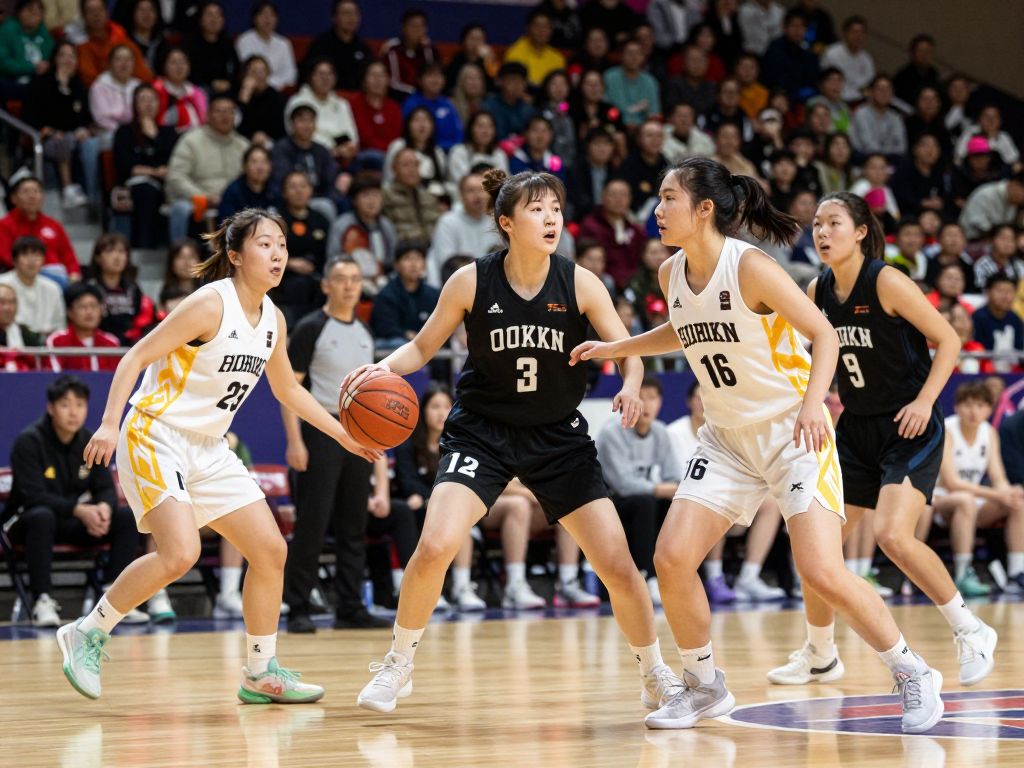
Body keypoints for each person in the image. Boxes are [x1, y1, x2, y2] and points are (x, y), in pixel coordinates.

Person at [571, 157, 944, 733]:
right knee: (671, 560)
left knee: (820, 571)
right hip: (725, 438)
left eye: (669, 199)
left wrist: (815, 404)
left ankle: (911, 669)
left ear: (703, 209)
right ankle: (704, 686)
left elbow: (823, 332)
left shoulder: (750, 267)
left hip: (792, 430)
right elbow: (683, 327)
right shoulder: (671, 273)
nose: (657, 210)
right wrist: (616, 349)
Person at [351, 168, 674, 716]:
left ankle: (654, 672)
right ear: (506, 222)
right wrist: (375, 370)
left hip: (556, 436)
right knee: (433, 546)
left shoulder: (579, 282)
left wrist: (633, 385)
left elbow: (630, 349)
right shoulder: (472, 281)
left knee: (618, 565)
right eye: (538, 209)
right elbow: (422, 348)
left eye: (556, 208)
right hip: (483, 431)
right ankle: (399, 663)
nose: (552, 218)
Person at [57, 208, 378, 703]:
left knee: (271, 551)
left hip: (208, 446)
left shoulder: (273, 319)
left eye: (282, 246)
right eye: (265, 244)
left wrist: (342, 435)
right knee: (179, 553)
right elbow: (135, 355)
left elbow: (288, 389)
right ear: (234, 255)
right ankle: (88, 631)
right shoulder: (210, 304)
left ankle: (259, 671)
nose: (277, 254)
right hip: (155, 432)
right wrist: (106, 422)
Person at [767, 190, 996, 692]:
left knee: (894, 536)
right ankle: (820, 654)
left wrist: (924, 401)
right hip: (854, 428)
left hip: (909, 425)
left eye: (833, 223)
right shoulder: (817, 289)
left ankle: (970, 628)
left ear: (861, 231)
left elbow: (950, 340)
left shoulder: (887, 280)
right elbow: (813, 353)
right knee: (815, 548)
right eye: (818, 225)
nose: (822, 232)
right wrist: (815, 397)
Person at [282, 255, 387, 633]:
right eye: (340, 278)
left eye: (355, 279)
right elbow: (289, 389)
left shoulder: (364, 331)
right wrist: (295, 441)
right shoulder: (311, 328)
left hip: (356, 432)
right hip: (320, 430)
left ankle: (350, 606)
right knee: (312, 523)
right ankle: (297, 607)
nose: (348, 285)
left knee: (353, 524)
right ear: (325, 285)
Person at [4, 376, 142, 628]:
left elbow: (105, 489)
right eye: (66, 404)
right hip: (28, 525)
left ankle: (114, 599)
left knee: (124, 517)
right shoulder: (29, 441)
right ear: (51, 408)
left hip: (72, 522)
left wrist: (103, 509)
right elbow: (32, 496)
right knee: (41, 515)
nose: (73, 412)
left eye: (80, 405)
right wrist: (79, 510)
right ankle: (42, 601)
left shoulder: (91, 441)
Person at [666, 380, 788, 603]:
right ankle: (714, 577)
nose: (703, 403)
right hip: (687, 500)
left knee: (770, 502)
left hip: (728, 495)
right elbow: (674, 476)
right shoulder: (674, 432)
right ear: (688, 401)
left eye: (707, 396)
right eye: (698, 397)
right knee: (713, 497)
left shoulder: (728, 430)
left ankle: (749, 577)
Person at [933, 381, 1024, 596]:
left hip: (974, 502)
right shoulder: (947, 429)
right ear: (957, 407)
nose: (974, 412)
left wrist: (1009, 492)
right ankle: (963, 573)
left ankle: (1016, 572)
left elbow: (998, 476)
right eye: (968, 405)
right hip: (941, 500)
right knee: (965, 500)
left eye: (981, 406)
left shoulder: (989, 432)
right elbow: (951, 483)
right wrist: (996, 493)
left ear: (989, 410)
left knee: (1018, 502)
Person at [597, 374, 680, 605]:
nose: (645, 404)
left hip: (644, 500)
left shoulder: (661, 432)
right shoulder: (611, 433)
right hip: (611, 503)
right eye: (640, 398)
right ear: (625, 403)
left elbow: (674, 477)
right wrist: (663, 489)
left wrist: (672, 490)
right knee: (646, 502)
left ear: (660, 402)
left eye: (652, 398)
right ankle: (649, 576)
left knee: (678, 505)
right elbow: (623, 485)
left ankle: (678, 575)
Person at [165, 94, 249, 242]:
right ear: (208, 115)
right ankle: (181, 258)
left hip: (234, 202)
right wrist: (202, 196)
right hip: (198, 200)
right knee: (180, 208)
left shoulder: (243, 145)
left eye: (229, 111)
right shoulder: (191, 141)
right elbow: (175, 176)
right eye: (219, 111)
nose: (225, 116)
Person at [112, 84, 180, 248]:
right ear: (135, 104)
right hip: (135, 184)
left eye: (152, 100)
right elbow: (125, 166)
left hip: (168, 182)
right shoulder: (125, 132)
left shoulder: (168, 132)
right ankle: (145, 246)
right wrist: (155, 171)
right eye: (143, 100)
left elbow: (177, 160)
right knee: (146, 191)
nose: (148, 104)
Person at [0, 169, 80, 282]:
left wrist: (74, 274)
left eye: (36, 191)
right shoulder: (4, 225)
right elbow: (6, 257)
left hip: (58, 278)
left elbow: (69, 257)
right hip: (20, 278)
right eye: (26, 192)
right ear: (14, 198)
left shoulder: (54, 225)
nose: (32, 196)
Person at [85, 232, 155, 346]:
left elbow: (139, 318)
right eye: (110, 251)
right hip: (99, 345)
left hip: (130, 346)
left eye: (121, 252)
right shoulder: (91, 287)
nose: (117, 257)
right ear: (98, 258)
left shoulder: (133, 287)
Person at [370, 242, 439, 348]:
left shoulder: (434, 294)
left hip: (427, 347)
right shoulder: (386, 295)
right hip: (395, 348)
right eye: (407, 258)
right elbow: (384, 328)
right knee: (399, 343)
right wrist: (407, 335)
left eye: (418, 258)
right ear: (396, 265)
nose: (414, 264)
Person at [0, 235, 65, 337]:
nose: (31, 260)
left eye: (37, 255)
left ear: (43, 260)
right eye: (25, 255)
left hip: (46, 345)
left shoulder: (53, 288)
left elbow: (60, 326)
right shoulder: (2, 283)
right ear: (14, 260)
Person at [301, 0, 372, 92]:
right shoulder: (321, 45)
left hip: (356, 99)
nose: (352, 18)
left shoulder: (363, 47)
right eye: (346, 13)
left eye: (355, 13)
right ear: (334, 18)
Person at [234, 1, 296, 91]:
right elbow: (245, 71)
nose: (267, 19)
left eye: (272, 15)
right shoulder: (244, 41)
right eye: (263, 14)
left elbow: (290, 74)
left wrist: (270, 84)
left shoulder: (283, 43)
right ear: (254, 18)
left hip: (278, 90)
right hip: (252, 89)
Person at [971, 273, 1024, 374]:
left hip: (1013, 372)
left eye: (1009, 291)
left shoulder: (1015, 319)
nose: (1005, 296)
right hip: (984, 371)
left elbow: (1019, 349)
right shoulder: (978, 317)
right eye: (1000, 291)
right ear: (988, 292)